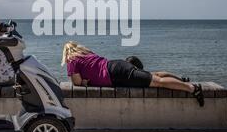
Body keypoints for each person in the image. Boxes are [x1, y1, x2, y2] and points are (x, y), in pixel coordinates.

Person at [61, 41, 204, 107]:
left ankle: (192, 88)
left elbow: (77, 82)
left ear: (66, 53)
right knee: (155, 75)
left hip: (117, 74)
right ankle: (182, 81)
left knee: (157, 82)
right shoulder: (87, 54)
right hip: (116, 66)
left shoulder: (72, 59)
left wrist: (87, 82)